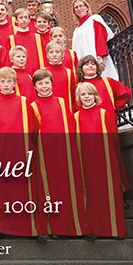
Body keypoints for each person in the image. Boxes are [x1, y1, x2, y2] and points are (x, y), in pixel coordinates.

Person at [30, 69, 90, 238]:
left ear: (52, 84)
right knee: (51, 190)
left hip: (66, 151)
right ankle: (53, 228)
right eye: (40, 84)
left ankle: (77, 227)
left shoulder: (63, 102)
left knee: (71, 187)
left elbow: (70, 124)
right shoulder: (33, 106)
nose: (44, 86)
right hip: (45, 154)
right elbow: (33, 133)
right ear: (35, 87)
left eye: (47, 82)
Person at [0, 67, 40, 238]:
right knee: (2, 189)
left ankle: (29, 227)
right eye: (3, 81)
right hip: (1, 150)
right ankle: (0, 227)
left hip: (21, 149)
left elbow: (34, 127)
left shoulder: (24, 102)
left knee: (24, 188)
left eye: (9, 81)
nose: (6, 84)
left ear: (15, 83)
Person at [75, 83, 126, 237]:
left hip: (105, 159)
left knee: (109, 192)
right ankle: (94, 229)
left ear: (95, 95)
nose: (87, 97)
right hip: (86, 161)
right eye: (83, 95)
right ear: (79, 98)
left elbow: (113, 140)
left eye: (89, 94)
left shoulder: (104, 113)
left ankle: (114, 229)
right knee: (91, 194)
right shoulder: (76, 117)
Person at [72, 0, 119, 79]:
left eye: (81, 6)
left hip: (97, 59)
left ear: (87, 8)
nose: (79, 9)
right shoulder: (76, 30)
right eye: (76, 7)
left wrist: (99, 57)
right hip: (84, 64)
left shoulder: (94, 19)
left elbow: (100, 37)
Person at [10, 8, 45, 75]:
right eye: (21, 17)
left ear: (29, 20)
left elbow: (45, 58)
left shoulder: (37, 37)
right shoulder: (11, 39)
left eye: (26, 17)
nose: (23, 20)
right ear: (16, 20)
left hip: (38, 76)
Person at [45, 40, 76, 109]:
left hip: (65, 108)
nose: (54, 54)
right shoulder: (43, 72)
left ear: (62, 55)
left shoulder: (69, 73)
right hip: (48, 109)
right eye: (51, 52)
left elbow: (73, 94)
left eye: (57, 52)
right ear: (47, 55)